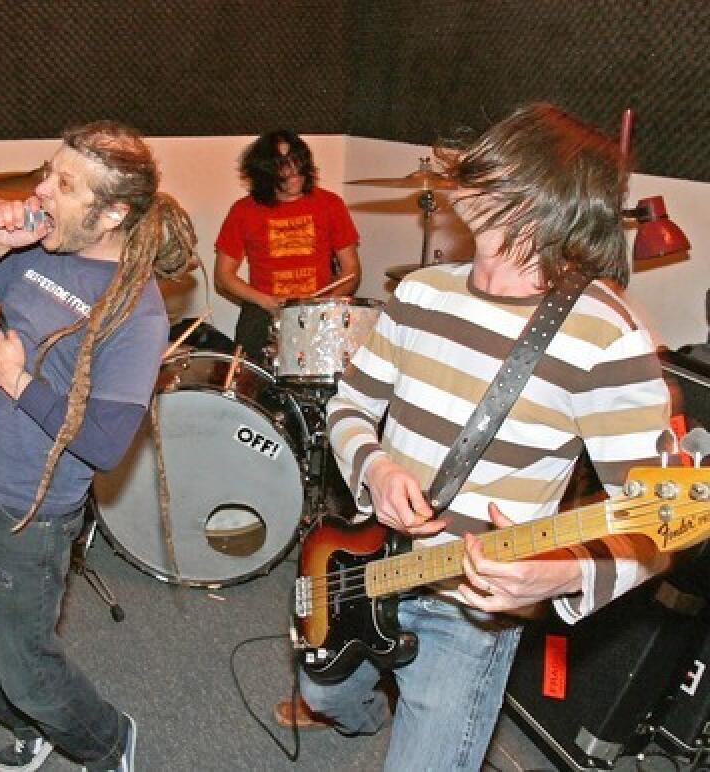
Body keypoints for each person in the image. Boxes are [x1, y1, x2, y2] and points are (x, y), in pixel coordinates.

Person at [288, 103, 672, 769]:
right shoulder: (421, 294)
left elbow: (668, 518)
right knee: (321, 687)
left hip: (467, 616)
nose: (465, 170)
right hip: (367, 564)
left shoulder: (606, 336)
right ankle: (364, 709)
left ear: (537, 191)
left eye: (493, 159)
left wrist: (557, 574)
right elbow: (349, 406)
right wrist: (375, 468)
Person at [0, 121, 195, 772]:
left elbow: (105, 443)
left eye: (63, 184)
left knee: (26, 667)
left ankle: (106, 742)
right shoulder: (38, 251)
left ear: (112, 213)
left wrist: (15, 381)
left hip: (28, 512)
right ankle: (34, 726)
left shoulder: (137, 312)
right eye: (48, 171)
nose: (41, 190)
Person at [214, 129, 362, 364]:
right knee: (254, 366)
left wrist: (326, 306)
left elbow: (351, 270)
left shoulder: (330, 204)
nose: (293, 173)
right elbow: (223, 276)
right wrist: (266, 301)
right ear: (265, 173)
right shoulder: (243, 210)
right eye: (283, 167)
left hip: (318, 309)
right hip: (264, 310)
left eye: (297, 164)